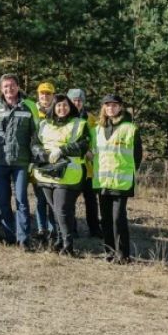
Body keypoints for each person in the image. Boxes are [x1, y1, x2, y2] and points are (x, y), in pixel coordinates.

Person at [31, 93, 89, 255]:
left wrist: (62, 150)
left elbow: (83, 145)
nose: (61, 108)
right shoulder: (43, 124)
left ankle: (68, 245)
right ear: (53, 107)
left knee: (62, 209)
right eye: (58, 105)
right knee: (55, 209)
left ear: (70, 107)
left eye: (65, 105)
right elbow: (34, 144)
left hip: (68, 174)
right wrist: (44, 155)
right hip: (46, 172)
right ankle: (58, 241)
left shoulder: (79, 124)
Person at [0, 73, 37, 249]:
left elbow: (34, 135)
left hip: (21, 162)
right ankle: (9, 235)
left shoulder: (28, 107)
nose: (9, 89)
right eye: (5, 86)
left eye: (12, 85)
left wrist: (33, 159)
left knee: (22, 199)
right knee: (4, 201)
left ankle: (23, 239)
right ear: (1, 89)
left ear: (18, 86)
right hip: (0, 162)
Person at [92, 94, 141, 263]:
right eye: (107, 105)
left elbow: (137, 156)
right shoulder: (97, 129)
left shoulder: (130, 128)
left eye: (114, 105)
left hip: (121, 181)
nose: (110, 108)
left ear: (120, 107)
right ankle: (110, 252)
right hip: (103, 181)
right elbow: (93, 152)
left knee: (118, 219)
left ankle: (123, 255)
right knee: (105, 220)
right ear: (103, 108)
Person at [67, 87, 101, 238]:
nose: (77, 103)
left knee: (91, 200)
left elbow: (98, 138)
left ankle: (94, 229)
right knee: (70, 200)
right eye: (74, 100)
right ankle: (72, 230)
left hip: (88, 167)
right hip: (71, 167)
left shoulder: (91, 118)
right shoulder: (64, 117)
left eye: (80, 100)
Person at [30, 82, 58, 246]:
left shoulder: (58, 111)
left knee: (53, 198)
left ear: (53, 95)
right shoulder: (32, 111)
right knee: (40, 197)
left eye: (48, 94)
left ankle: (54, 229)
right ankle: (42, 229)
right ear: (38, 95)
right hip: (36, 160)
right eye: (42, 94)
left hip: (54, 161)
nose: (45, 97)